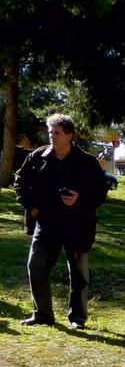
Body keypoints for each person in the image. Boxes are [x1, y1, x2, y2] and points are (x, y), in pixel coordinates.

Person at [13, 114, 109, 329]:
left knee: (79, 275)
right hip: (46, 225)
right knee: (35, 265)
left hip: (77, 225)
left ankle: (78, 318)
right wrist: (33, 207)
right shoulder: (38, 157)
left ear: (69, 135)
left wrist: (79, 199)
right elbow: (20, 182)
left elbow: (101, 191)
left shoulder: (86, 162)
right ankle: (43, 315)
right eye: (50, 132)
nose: (52, 136)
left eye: (56, 132)